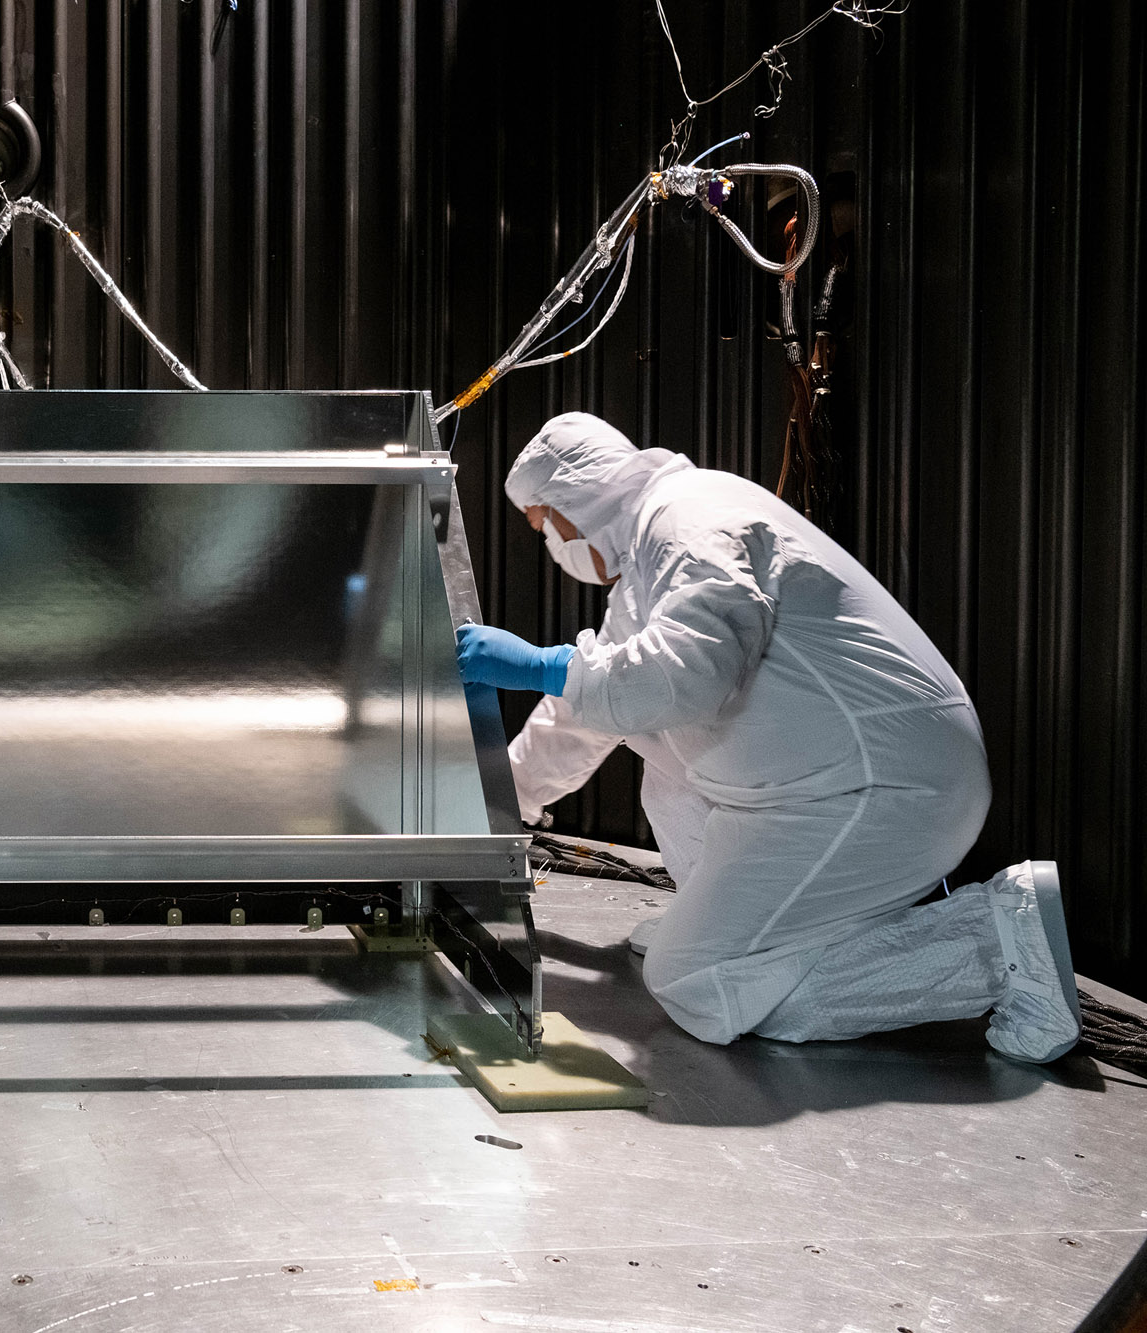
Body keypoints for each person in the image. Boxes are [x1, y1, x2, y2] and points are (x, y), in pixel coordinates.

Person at [454, 412, 1080, 1063]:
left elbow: (685, 674)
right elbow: (590, 711)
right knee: (662, 761)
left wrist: (536, 664)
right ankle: (729, 928)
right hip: (839, 774)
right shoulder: (652, 548)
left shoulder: (691, 524)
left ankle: (995, 942)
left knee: (697, 985)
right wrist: (497, 803)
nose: (553, 544)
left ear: (577, 497)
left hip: (885, 787)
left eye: (545, 525)